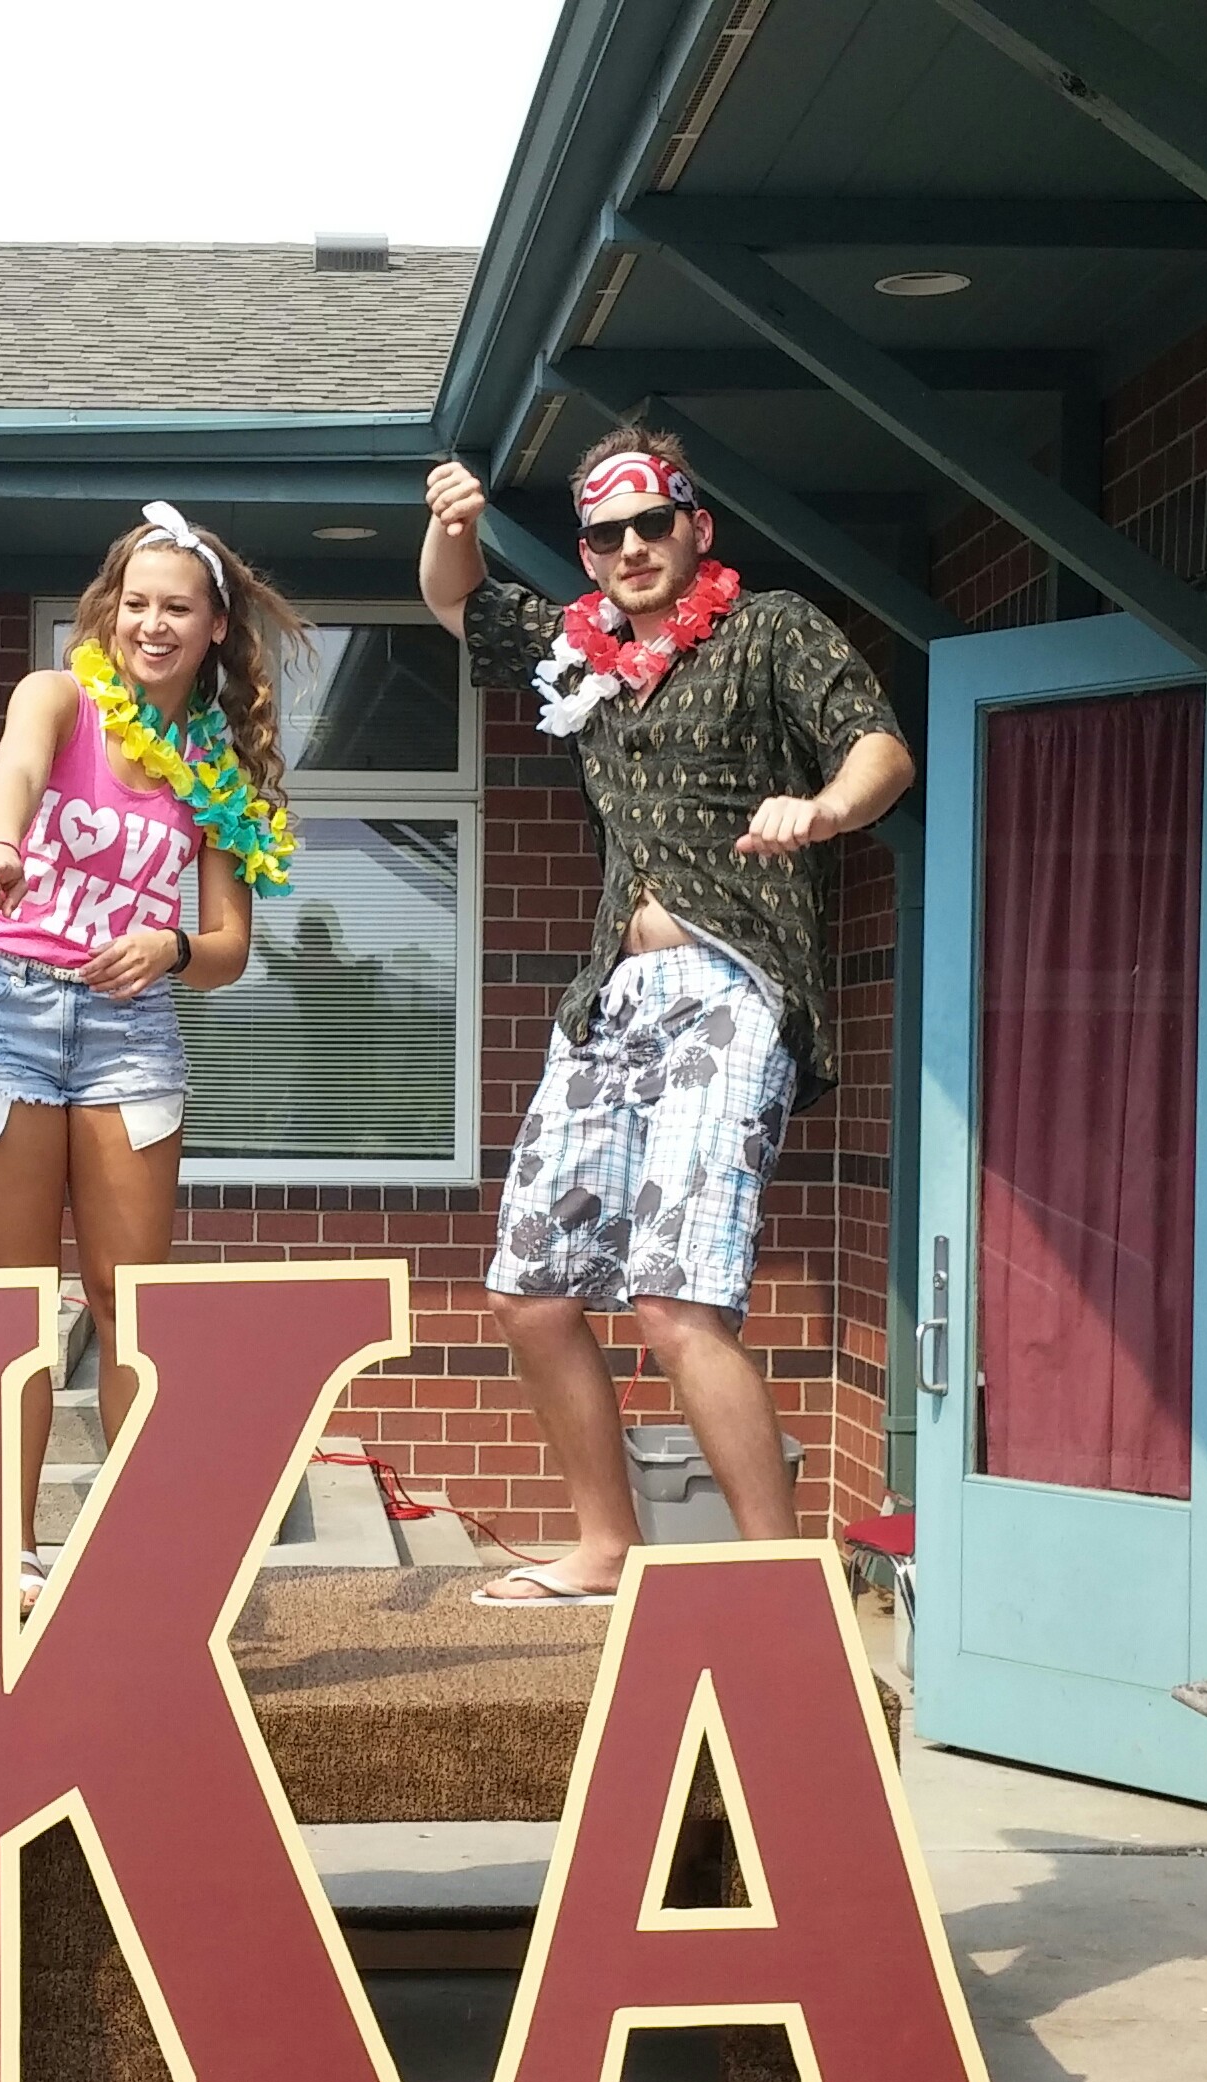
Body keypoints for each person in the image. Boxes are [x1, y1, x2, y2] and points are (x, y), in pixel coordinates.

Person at [419, 426, 914, 1604]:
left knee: (674, 1298)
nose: (632, 547)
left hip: (731, 988)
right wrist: (448, 529)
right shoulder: (579, 648)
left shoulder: (771, 628)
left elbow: (881, 749)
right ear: (586, 553)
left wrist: (826, 811)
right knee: (530, 1292)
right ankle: (603, 1543)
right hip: (611, 997)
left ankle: (773, 1579)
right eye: (606, 533)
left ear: (696, 527)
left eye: (653, 523)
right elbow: (457, 603)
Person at [0, 502, 303, 1605]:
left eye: (175, 608)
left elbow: (229, 950)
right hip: (4, 1005)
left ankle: (144, 1544)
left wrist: (172, 942)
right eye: (134, 603)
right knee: (10, 1296)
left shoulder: (215, 765)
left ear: (214, 630)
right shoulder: (59, 695)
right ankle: (10, 1542)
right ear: (110, 609)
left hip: (130, 1029)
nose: (151, 623)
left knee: (128, 1296)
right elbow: (14, 775)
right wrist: (0, 848)